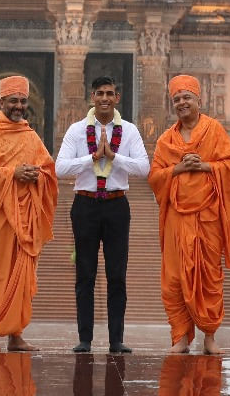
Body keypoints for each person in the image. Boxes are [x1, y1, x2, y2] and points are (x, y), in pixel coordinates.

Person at [55, 75, 150, 354]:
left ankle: (116, 340)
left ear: (117, 97)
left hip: (117, 204)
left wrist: (114, 156)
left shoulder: (129, 131)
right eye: (100, 93)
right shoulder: (76, 130)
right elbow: (60, 169)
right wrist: (93, 157)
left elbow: (144, 169)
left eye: (110, 93)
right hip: (84, 205)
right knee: (85, 273)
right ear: (92, 97)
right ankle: (85, 339)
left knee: (117, 274)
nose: (105, 98)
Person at [0, 75, 57, 353]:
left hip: (25, 218)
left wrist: (36, 175)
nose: (19, 106)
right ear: (1, 101)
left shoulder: (30, 136)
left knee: (24, 278)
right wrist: (11, 173)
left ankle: (16, 334)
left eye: (23, 101)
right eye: (13, 101)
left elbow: (48, 169)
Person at [149, 74, 230, 355]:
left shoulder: (214, 130)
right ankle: (180, 336)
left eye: (187, 97)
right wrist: (178, 168)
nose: (182, 103)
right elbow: (154, 176)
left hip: (208, 214)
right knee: (174, 278)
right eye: (177, 99)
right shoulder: (166, 140)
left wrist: (205, 166)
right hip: (177, 216)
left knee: (208, 275)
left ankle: (209, 335)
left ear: (199, 100)